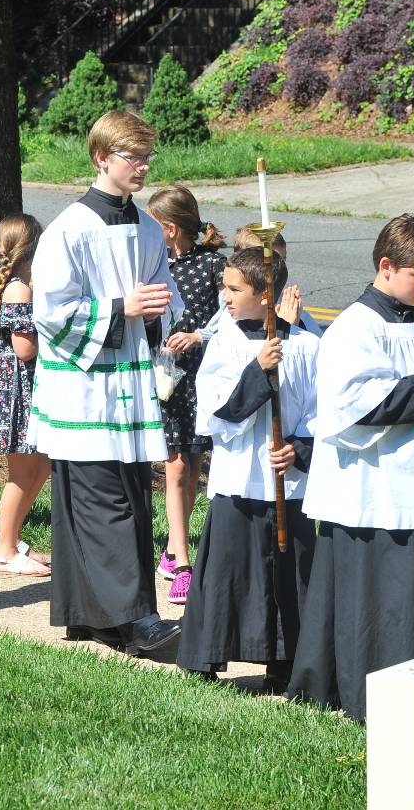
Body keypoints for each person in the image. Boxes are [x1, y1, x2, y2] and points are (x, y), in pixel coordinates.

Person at [289, 215, 414, 721]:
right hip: (373, 490)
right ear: (386, 266)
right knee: (383, 598)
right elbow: (347, 407)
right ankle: (374, 694)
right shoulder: (353, 328)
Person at [28, 110, 182, 656]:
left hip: (130, 387)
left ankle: (89, 617)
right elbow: (50, 313)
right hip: (85, 390)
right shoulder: (68, 230)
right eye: (132, 157)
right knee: (103, 502)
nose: (143, 166)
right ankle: (137, 618)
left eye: (147, 157)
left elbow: (165, 296)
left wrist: (161, 314)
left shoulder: (148, 228)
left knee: (131, 497)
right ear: (101, 158)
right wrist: (121, 307)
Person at [176, 246, 319, 688]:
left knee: (289, 573)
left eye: (235, 289)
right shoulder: (227, 342)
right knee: (226, 571)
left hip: (287, 483)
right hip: (239, 479)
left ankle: (286, 661)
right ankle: (206, 656)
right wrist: (257, 371)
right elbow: (216, 408)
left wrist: (299, 447)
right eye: (225, 286)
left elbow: (322, 411)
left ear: (265, 295)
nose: (225, 297)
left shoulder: (307, 345)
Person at [145, 184, 228, 605]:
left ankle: (172, 548)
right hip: (167, 377)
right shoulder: (153, 265)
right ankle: (182, 563)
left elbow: (230, 313)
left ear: (171, 228)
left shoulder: (213, 266)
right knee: (175, 466)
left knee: (193, 465)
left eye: (152, 225)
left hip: (202, 376)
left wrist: (198, 336)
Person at [0, 213, 50, 576]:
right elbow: (24, 349)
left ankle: (12, 537)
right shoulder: (18, 289)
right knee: (22, 472)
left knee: (42, 464)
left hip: (14, 390)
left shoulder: (7, 284)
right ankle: (4, 551)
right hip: (14, 394)